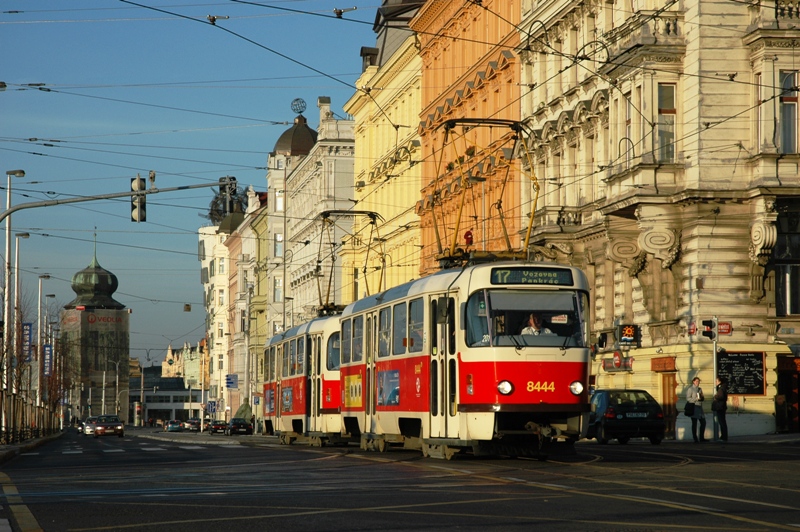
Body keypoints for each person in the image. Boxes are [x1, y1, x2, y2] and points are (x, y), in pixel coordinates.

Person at [686, 377, 706, 442]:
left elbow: (702, 398)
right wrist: (695, 399)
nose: (698, 383)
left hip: (700, 408)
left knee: (703, 422)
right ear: (693, 382)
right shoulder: (690, 389)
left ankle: (701, 438)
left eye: (699, 381)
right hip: (694, 408)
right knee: (694, 423)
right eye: (696, 381)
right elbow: (688, 399)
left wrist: (702, 398)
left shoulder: (700, 389)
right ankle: (695, 438)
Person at [712, 376, 729, 441]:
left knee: (722, 422)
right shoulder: (723, 387)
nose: (715, 382)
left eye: (716, 381)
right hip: (722, 406)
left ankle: (724, 437)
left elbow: (721, 396)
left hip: (720, 406)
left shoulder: (721, 388)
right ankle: (723, 436)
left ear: (719, 381)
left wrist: (715, 397)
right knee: (722, 422)